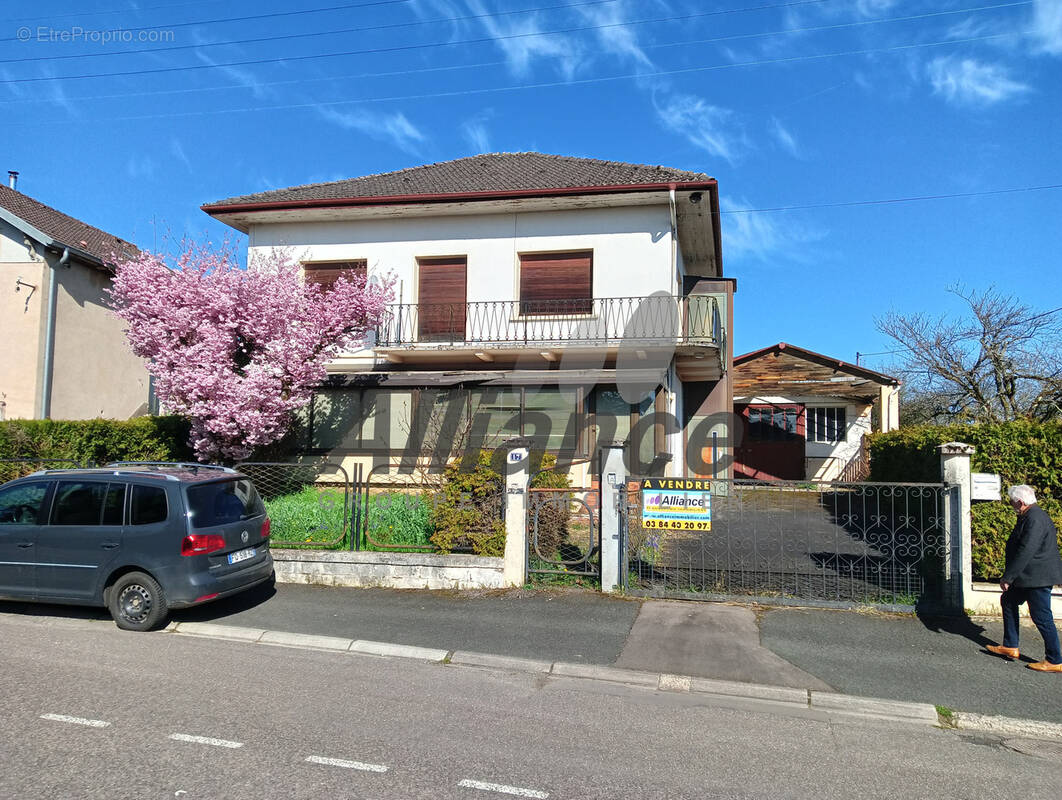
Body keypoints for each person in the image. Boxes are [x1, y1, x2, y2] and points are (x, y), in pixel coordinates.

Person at [986, 485, 1062, 672]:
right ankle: (1010, 646)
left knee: (1042, 617)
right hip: (1029, 576)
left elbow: (1026, 550)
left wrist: (1008, 577)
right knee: (1009, 601)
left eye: (1012, 502)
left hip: (1036, 578)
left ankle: (1055, 660)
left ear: (1020, 502)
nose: (1011, 505)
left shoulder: (1034, 518)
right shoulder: (1031, 515)